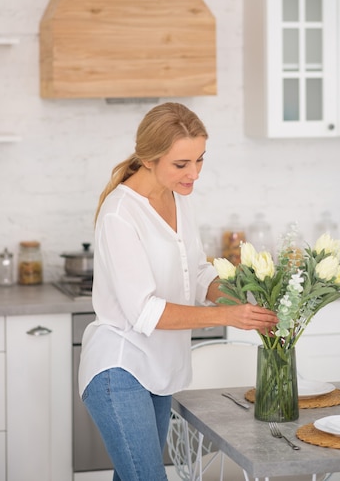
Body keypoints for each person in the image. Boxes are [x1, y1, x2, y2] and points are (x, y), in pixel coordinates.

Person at [78, 102, 278, 481]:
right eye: (182, 164)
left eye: (200, 160)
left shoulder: (178, 197)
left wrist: (248, 301)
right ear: (149, 159)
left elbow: (198, 274)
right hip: (120, 369)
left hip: (159, 369)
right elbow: (144, 312)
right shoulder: (120, 214)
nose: (194, 174)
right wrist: (226, 316)